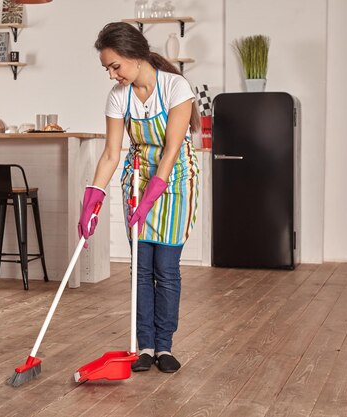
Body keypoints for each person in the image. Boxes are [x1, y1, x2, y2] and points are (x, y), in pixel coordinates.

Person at [78, 22, 200, 374]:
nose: (112, 74)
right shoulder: (119, 96)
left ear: (135, 55)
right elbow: (111, 154)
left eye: (115, 65)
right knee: (141, 269)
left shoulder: (175, 87)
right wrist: (92, 200)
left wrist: (149, 201)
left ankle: (165, 347)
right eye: (107, 68)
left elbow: (171, 152)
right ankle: (145, 345)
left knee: (166, 268)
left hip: (175, 180)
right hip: (138, 178)